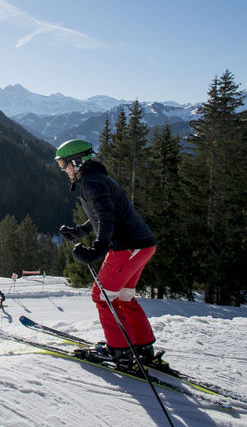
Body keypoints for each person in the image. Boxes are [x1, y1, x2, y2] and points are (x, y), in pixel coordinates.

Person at [55, 139, 162, 369]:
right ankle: (142, 347)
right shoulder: (97, 179)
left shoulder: (90, 183)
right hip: (142, 246)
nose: (63, 169)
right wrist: (80, 231)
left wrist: (98, 248)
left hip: (127, 247)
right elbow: (101, 213)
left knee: (101, 296)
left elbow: (106, 218)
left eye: (64, 164)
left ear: (76, 162)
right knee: (124, 297)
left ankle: (121, 352)